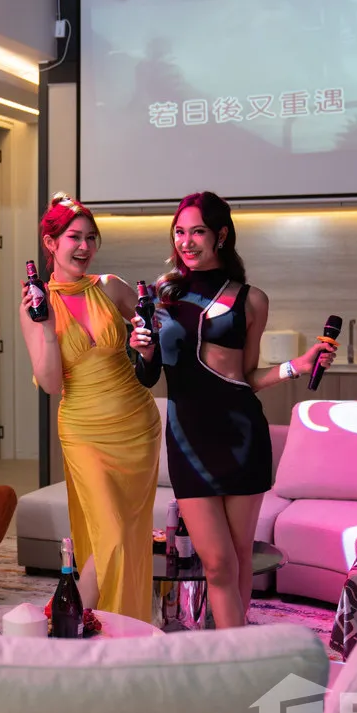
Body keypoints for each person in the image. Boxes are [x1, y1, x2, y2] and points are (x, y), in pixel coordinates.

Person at [129, 191, 335, 629]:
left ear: (221, 236)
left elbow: (246, 376)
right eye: (179, 232)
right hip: (187, 438)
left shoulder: (251, 300)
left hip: (241, 437)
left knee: (240, 557)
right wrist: (142, 352)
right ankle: (236, 653)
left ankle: (237, 653)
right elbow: (148, 376)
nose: (186, 242)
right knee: (217, 562)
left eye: (197, 231)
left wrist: (295, 367)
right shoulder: (163, 295)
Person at [20, 192, 161, 623]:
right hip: (83, 429)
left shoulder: (110, 286)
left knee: (123, 534)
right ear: (51, 243)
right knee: (111, 534)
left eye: (91, 238)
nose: (84, 247)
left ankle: (80, 621)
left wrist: (146, 342)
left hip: (137, 424)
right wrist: (47, 330)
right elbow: (50, 384)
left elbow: (153, 340)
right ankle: (78, 618)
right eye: (74, 238)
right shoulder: (35, 307)